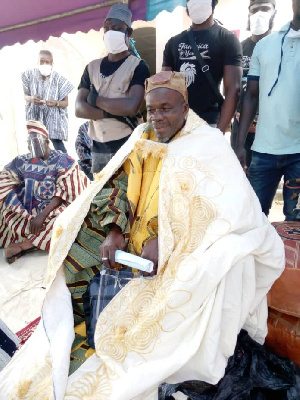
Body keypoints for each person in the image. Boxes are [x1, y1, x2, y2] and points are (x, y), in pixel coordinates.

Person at [0, 72, 284, 399]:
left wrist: (168, 238)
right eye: (151, 109)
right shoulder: (142, 136)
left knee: (205, 272)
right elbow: (113, 184)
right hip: (132, 239)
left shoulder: (207, 143)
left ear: (185, 107)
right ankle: (82, 325)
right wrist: (114, 230)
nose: (157, 117)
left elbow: (224, 207)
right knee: (75, 233)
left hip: (183, 242)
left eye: (166, 108)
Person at [236, 0, 300, 221]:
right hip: (264, 151)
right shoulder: (265, 46)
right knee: (252, 219)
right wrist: (240, 143)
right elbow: (251, 96)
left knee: (295, 221)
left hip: (298, 152)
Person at [75, 3, 150, 173]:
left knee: (128, 195)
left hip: (127, 144)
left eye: (116, 28)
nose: (110, 33)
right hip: (98, 148)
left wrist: (96, 100)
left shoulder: (138, 66)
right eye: (106, 28)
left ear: (128, 32)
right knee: (103, 197)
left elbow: (131, 106)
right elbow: (79, 109)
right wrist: (111, 112)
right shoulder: (91, 68)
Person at [0, 120, 88, 264]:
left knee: (66, 219)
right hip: (29, 210)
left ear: (47, 142)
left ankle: (27, 244)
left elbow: (68, 190)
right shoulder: (22, 160)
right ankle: (31, 238)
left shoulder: (63, 160)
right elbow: (6, 176)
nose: (31, 146)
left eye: (35, 142)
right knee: (4, 201)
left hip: (52, 209)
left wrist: (42, 215)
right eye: (29, 143)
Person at [162, 0, 242, 132]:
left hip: (208, 124)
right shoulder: (173, 42)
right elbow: (165, 86)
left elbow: (234, 89)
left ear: (213, 3)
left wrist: (218, 133)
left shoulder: (227, 39)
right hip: (178, 123)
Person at [231, 0, 276, 168]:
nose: (259, 14)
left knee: (263, 180)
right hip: (241, 128)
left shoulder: (282, 46)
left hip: (270, 129)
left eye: (265, 9)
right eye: (254, 10)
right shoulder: (238, 48)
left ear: (274, 13)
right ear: (248, 14)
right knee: (239, 176)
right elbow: (231, 88)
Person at [22, 50, 74, 153]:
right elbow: (25, 95)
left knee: (58, 146)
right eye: (42, 61)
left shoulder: (59, 79)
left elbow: (66, 103)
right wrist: (32, 98)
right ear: (37, 62)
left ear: (52, 63)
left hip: (53, 118)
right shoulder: (28, 75)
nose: (44, 64)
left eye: (47, 62)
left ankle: (66, 166)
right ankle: (41, 167)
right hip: (35, 116)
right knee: (36, 148)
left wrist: (56, 103)